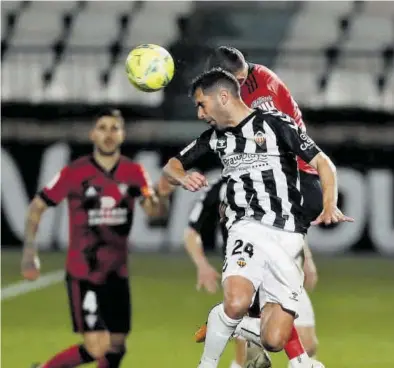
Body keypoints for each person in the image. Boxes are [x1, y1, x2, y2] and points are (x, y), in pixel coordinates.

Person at [163, 68, 354, 368]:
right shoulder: (214, 138)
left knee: (274, 340)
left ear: (223, 97)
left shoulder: (275, 124)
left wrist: (330, 203)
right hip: (246, 228)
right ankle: (208, 362)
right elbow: (171, 165)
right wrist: (182, 176)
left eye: (202, 104)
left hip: (288, 235)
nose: (200, 114)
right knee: (238, 302)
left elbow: (322, 163)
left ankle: (225, 321)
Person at [197, 46, 323, 362]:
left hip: (295, 181)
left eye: (244, 77)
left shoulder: (263, 84)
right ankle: (259, 332)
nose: (243, 83)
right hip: (276, 198)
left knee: (281, 333)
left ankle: (241, 323)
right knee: (273, 335)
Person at [21, 109, 166, 368]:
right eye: (102, 128)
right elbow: (36, 207)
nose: (108, 134)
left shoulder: (134, 172)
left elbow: (154, 214)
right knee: (96, 346)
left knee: (117, 345)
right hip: (84, 272)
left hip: (117, 272)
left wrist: (159, 196)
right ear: (92, 134)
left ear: (123, 135)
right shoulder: (74, 172)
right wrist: (29, 253)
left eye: (114, 128)